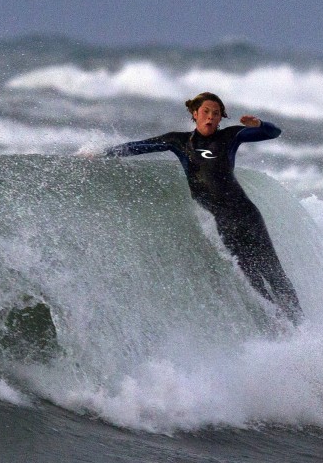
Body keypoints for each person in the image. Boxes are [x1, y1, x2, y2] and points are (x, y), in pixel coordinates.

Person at [102, 92, 303, 325]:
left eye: (216, 114)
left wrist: (259, 124)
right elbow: (139, 147)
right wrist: (101, 153)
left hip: (247, 216)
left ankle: (301, 324)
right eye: (206, 112)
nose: (210, 117)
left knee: (274, 274)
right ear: (195, 114)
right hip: (225, 223)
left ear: (220, 119)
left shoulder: (230, 136)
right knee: (252, 280)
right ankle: (284, 326)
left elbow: (273, 133)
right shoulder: (178, 141)